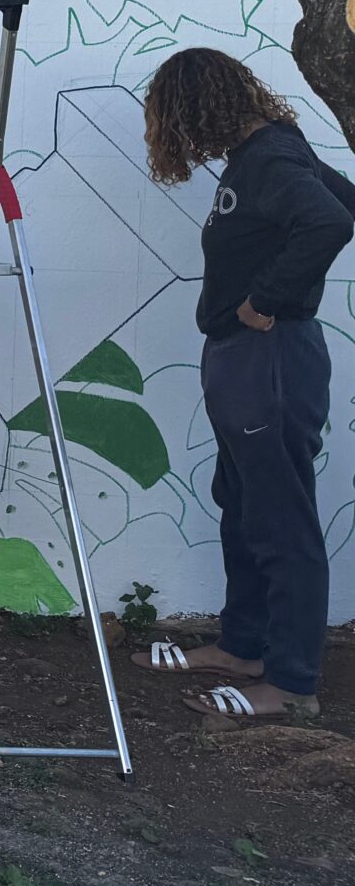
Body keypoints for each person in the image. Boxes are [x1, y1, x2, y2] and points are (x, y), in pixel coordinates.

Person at [130, 49, 349, 721]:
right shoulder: (267, 154)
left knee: (280, 517)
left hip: (269, 358)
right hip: (245, 358)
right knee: (244, 504)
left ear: (199, 107)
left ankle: (291, 684)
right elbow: (345, 202)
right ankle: (244, 648)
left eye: (174, 117)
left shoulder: (270, 158)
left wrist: (267, 300)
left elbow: (331, 221)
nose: (175, 134)